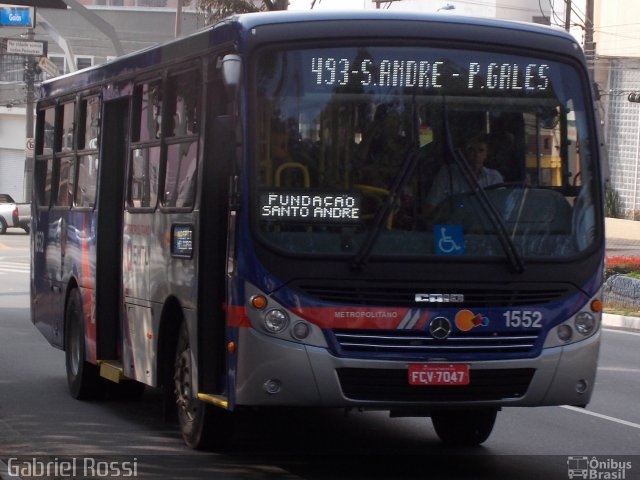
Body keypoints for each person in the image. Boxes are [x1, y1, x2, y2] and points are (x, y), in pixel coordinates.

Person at [425, 133, 503, 210]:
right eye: (471, 149)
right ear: (463, 152)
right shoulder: (448, 174)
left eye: (481, 150)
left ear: (486, 154)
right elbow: (431, 205)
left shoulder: (494, 177)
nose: (476, 154)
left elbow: (502, 207)